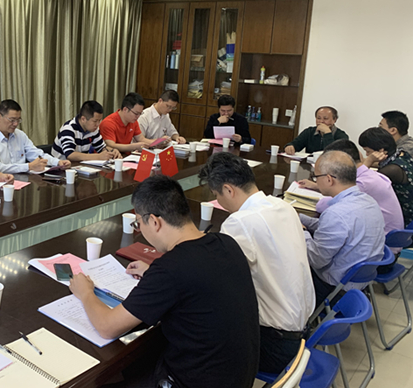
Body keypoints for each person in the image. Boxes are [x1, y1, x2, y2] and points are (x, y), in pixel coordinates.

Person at [69, 175, 259, 388]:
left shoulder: (171, 269)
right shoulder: (225, 243)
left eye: (138, 223)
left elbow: (107, 327)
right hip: (238, 378)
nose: (140, 230)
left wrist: (85, 292)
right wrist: (154, 273)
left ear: (154, 221)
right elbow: (198, 279)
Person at [199, 152, 314, 374]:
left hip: (276, 345)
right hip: (303, 333)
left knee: (197, 328)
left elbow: (215, 279)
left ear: (228, 190)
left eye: (216, 195)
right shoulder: (284, 206)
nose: (219, 202)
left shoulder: (240, 222)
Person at [299, 150, 385, 307]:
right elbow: (331, 228)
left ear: (329, 179)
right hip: (359, 282)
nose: (315, 181)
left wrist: (302, 231)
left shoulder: (336, 214)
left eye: (316, 177)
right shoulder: (368, 201)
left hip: (333, 288)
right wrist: (300, 218)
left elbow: (316, 260)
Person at [298, 139, 403, 235]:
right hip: (382, 235)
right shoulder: (371, 175)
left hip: (382, 239)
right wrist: (318, 186)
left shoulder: (362, 183)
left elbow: (324, 206)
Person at [0, 100, 71, 173]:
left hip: (22, 181)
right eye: (12, 120)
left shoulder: (20, 135)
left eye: (18, 120)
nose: (15, 124)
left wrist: (58, 162)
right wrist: (29, 166)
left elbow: (36, 154)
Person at [359, 127, 413, 227]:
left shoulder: (391, 170)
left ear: (381, 150)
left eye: (368, 151)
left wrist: (368, 161)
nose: (366, 154)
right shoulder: (402, 154)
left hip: (405, 220)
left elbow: (358, 183)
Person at [52, 101, 121, 161]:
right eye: (95, 121)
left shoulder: (93, 129)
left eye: (99, 120)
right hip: (60, 168)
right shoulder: (68, 128)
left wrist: (112, 151)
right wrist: (98, 157)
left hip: (80, 167)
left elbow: (101, 148)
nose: (98, 124)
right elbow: (70, 155)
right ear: (83, 119)